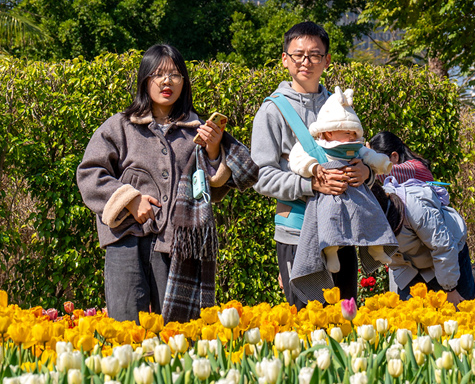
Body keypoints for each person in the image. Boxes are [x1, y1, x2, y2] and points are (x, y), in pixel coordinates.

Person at [77, 44, 254, 323]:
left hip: (177, 244)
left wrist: (212, 149)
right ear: (145, 80)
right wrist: (130, 200)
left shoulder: (198, 131)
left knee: (179, 331)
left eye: (175, 75)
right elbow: (90, 173)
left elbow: (212, 190)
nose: (166, 81)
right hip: (125, 239)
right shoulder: (120, 127)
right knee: (125, 329)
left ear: (184, 82)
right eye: (158, 74)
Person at [251, 22, 375, 308]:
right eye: (298, 54)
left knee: (345, 320)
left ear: (327, 60)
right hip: (297, 231)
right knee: (307, 321)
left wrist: (366, 173)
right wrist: (310, 184)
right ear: (285, 59)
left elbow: (359, 154)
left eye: (315, 55)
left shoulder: (340, 106)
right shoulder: (272, 110)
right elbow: (260, 176)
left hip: (342, 232)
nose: (306, 62)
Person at [287, 87, 397, 304]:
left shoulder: (356, 148)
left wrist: (377, 166)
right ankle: (330, 250)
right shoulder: (317, 146)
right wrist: (313, 169)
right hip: (330, 197)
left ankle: (376, 246)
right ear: (328, 132)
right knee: (329, 217)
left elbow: (371, 156)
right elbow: (296, 158)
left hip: (356, 197)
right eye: (346, 132)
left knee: (372, 212)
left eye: (354, 132)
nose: (352, 137)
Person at [372, 181, 474, 304]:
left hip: (450, 254)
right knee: (409, 316)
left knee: (460, 310)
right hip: (410, 265)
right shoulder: (367, 221)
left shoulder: (413, 209)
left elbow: (442, 246)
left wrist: (450, 289)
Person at [368, 131, 435, 183]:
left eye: (380, 161)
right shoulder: (415, 167)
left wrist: (368, 159)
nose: (377, 164)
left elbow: (384, 171)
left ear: (395, 156)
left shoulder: (413, 168)